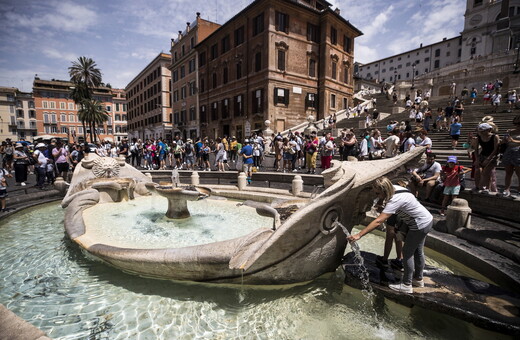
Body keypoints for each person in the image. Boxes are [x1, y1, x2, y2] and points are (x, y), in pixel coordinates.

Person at [348, 177, 433, 294]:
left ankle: (407, 285)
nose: (377, 196)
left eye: (378, 193)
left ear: (384, 190)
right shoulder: (397, 189)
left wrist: (359, 234)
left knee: (407, 253)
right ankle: (418, 279)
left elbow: (378, 221)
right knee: (418, 251)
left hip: (418, 225)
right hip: (426, 220)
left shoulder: (395, 199)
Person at [472, 123, 500, 194]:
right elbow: (476, 149)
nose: (481, 133)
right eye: (480, 131)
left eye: (483, 131)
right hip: (483, 154)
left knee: (487, 171)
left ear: (489, 130)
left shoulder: (495, 137)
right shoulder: (479, 137)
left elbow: (495, 149)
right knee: (477, 169)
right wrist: (477, 159)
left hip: (492, 155)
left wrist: (488, 159)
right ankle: (477, 186)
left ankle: (486, 188)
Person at [500, 115, 520, 198]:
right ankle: (506, 189)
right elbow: (503, 142)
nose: (517, 125)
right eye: (516, 123)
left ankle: (519, 190)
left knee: (519, 173)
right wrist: (504, 140)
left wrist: (512, 140)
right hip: (509, 151)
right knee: (508, 172)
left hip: (518, 152)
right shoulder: (510, 131)